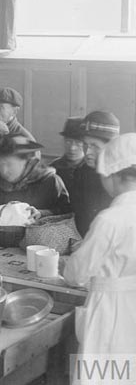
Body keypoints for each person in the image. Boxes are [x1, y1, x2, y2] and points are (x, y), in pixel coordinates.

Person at [63, 133, 136, 359]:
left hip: (111, 308)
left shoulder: (110, 219)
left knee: (104, 374)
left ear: (113, 175)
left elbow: (76, 274)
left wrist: (65, 266)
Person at [0, 134, 70, 229]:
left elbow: (66, 213)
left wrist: (42, 213)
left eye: (9, 164)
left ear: (26, 162)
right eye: (0, 165)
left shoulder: (49, 181)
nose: (3, 170)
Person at [70, 111, 120, 237]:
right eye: (85, 145)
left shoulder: (124, 179)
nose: (87, 153)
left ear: (111, 146)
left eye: (95, 146)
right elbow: (75, 213)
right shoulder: (81, 173)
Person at [49, 116, 85, 194]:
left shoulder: (92, 169)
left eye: (78, 143)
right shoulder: (53, 168)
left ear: (86, 144)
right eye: (68, 142)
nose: (72, 148)